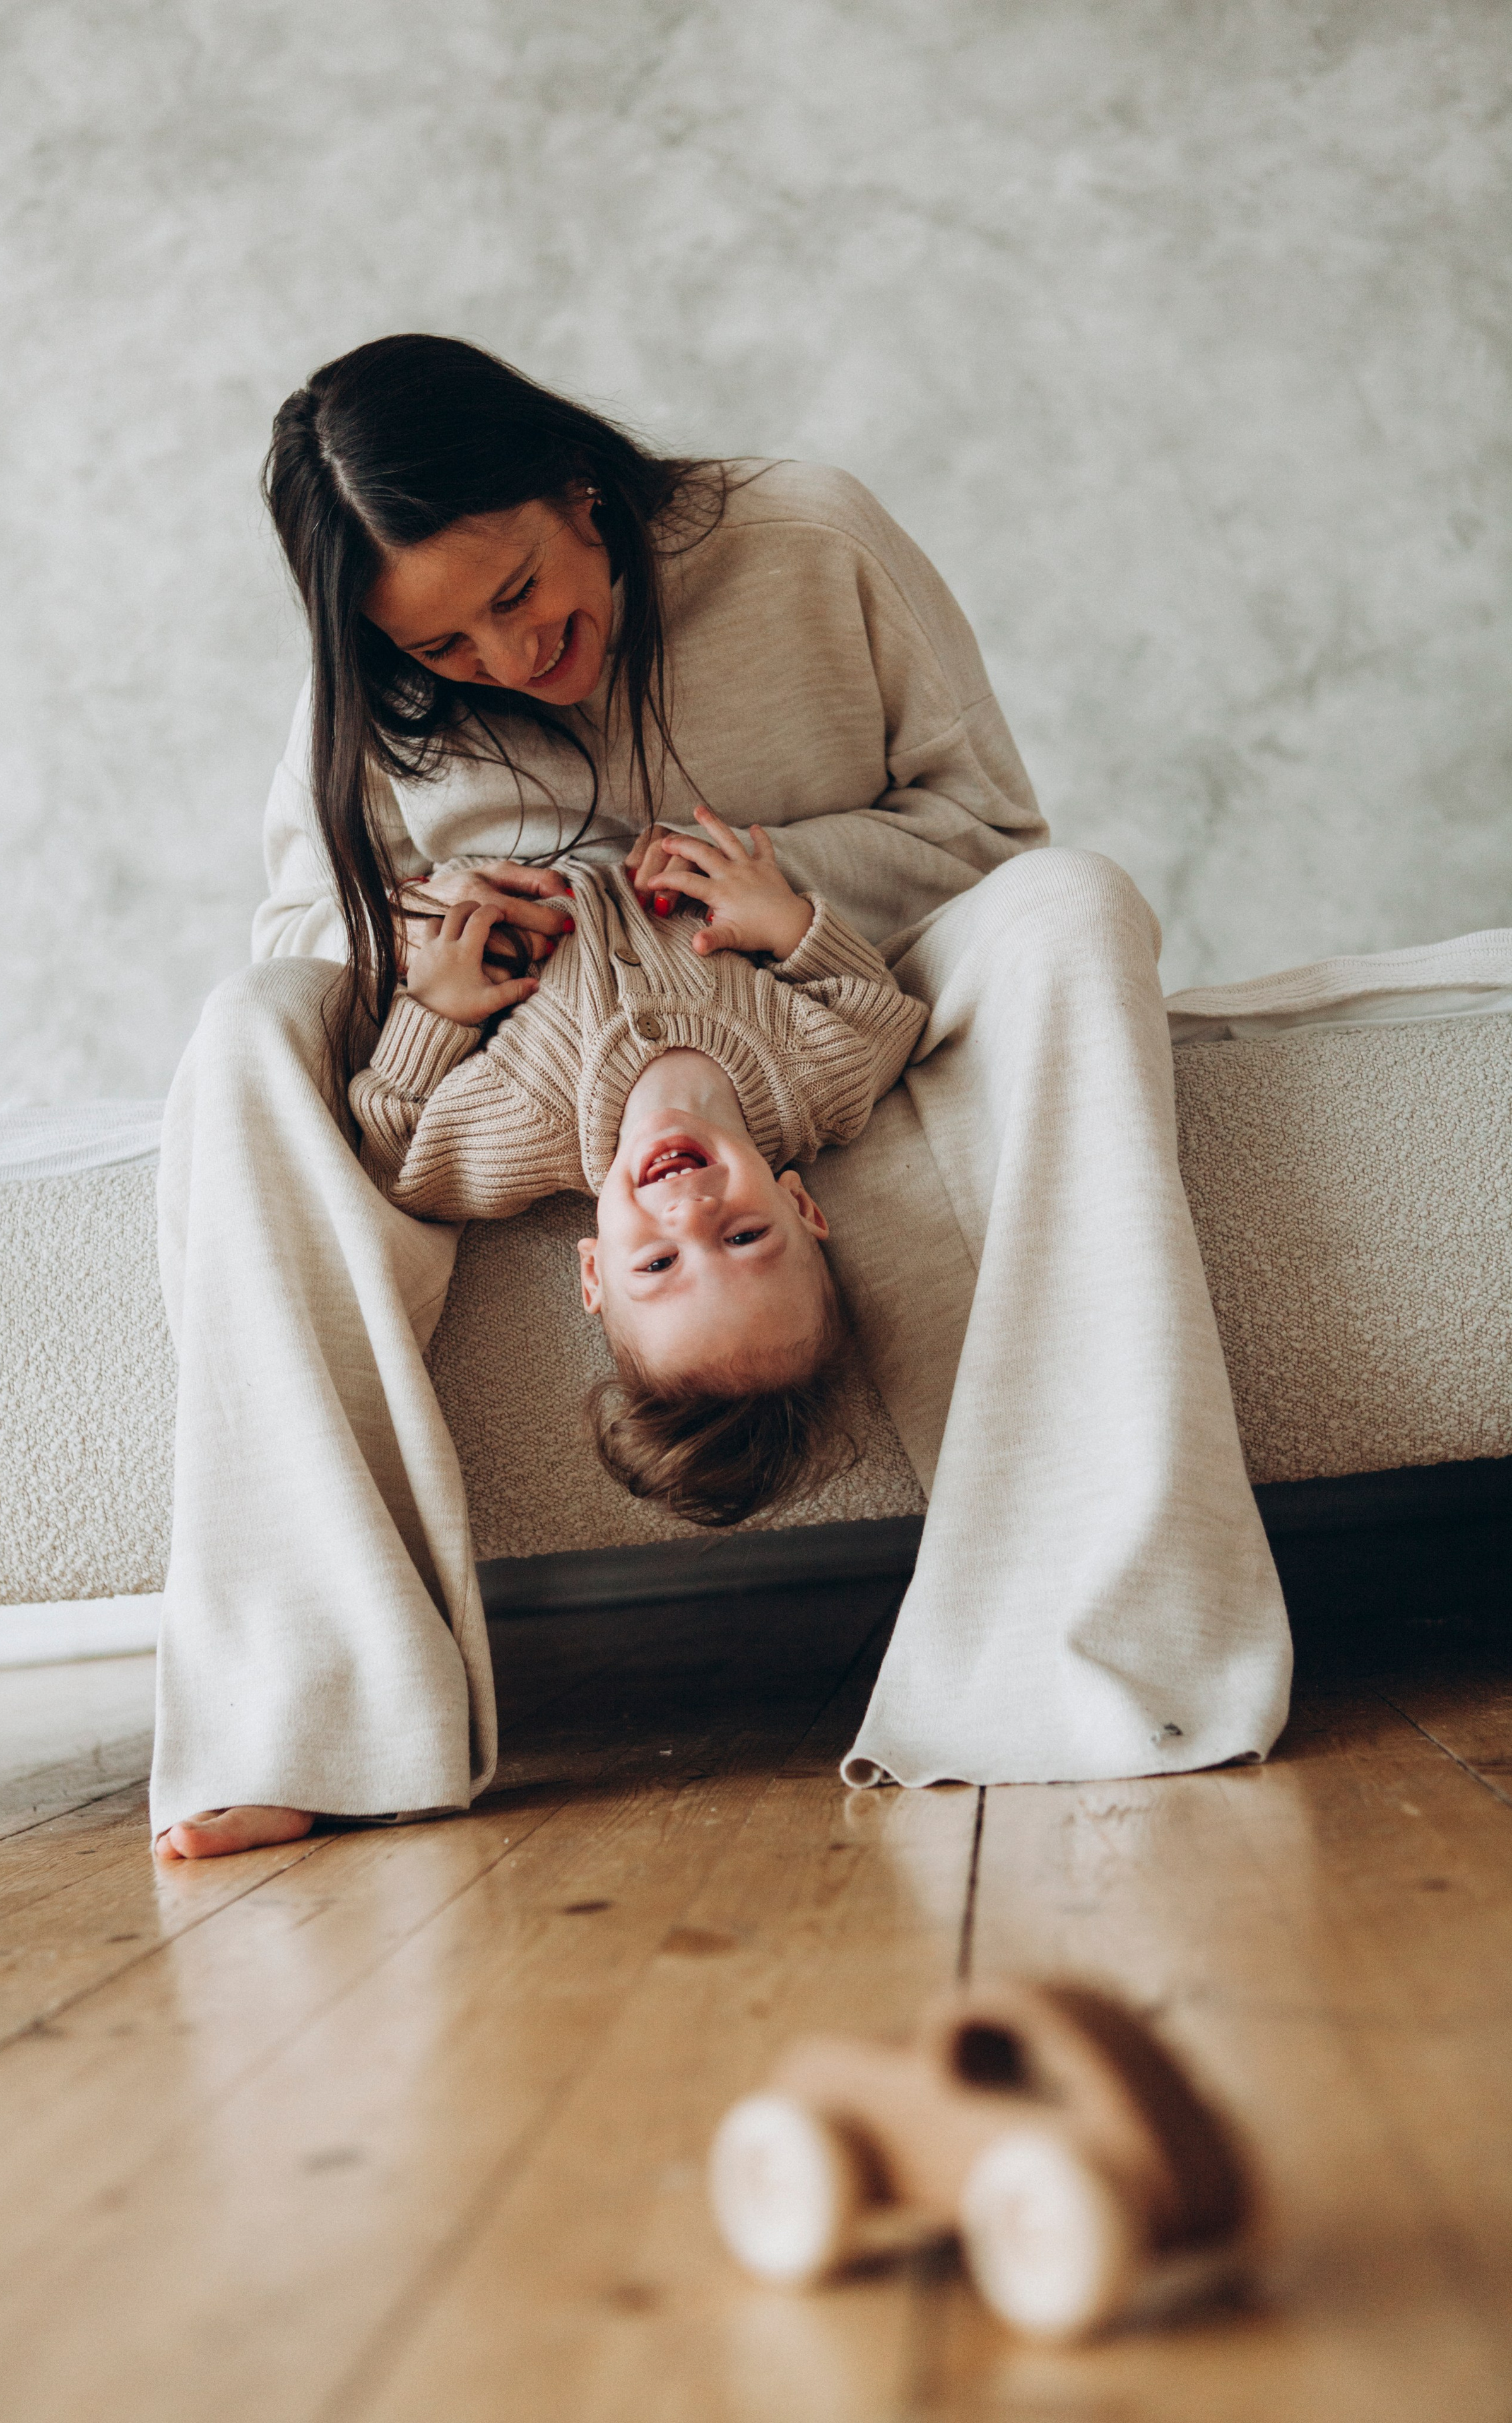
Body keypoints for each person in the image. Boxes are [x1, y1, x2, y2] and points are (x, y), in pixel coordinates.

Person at [151, 334, 1290, 1861]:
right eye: (443, 651)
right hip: (523, 1037)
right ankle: (304, 1713)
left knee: (1076, 906)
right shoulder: (367, 687)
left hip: (825, 959)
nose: (503, 660)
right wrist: (423, 950)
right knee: (240, 1031)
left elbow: (988, 825)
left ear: (583, 493)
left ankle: (1092, 1643)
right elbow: (304, 942)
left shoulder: (808, 536)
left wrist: (777, 885)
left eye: (515, 595)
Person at [350, 812, 926, 1526]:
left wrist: (434, 1009)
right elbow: (886, 1015)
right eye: (745, 1237)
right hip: (663, 808)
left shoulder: (523, 1124)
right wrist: (787, 922)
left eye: (656, 1264)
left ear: (592, 1272)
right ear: (802, 1207)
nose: (690, 1213)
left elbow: (399, 1157)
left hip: (496, 845)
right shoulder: (819, 1076)